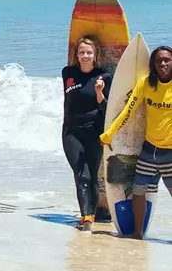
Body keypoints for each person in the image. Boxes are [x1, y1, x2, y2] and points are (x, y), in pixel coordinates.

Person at [101, 45, 172, 240]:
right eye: (159, 60)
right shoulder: (146, 84)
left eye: (167, 60)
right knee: (138, 191)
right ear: (154, 64)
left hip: (170, 153)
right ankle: (138, 234)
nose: (163, 63)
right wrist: (110, 133)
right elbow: (127, 111)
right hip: (149, 150)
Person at [61, 37, 112, 231]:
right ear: (76, 55)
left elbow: (106, 107)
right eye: (81, 52)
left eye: (89, 53)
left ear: (95, 55)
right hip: (70, 132)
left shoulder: (103, 76)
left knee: (91, 176)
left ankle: (89, 216)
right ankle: (86, 217)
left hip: (94, 132)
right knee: (81, 174)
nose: (85, 56)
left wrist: (100, 92)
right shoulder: (68, 73)